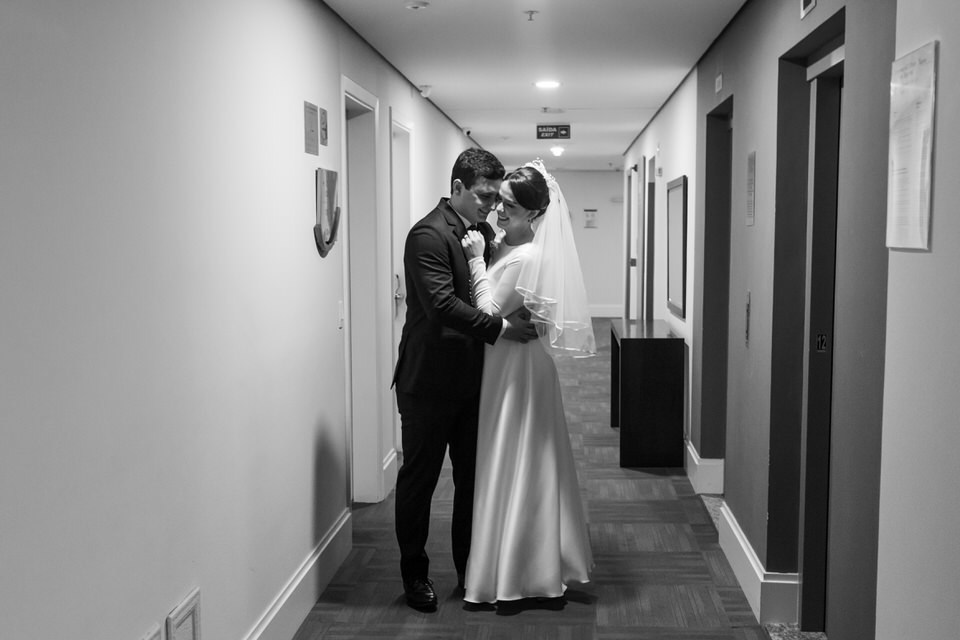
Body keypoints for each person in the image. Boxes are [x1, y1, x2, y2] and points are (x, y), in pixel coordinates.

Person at [392, 148, 537, 611]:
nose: (491, 206)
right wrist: (503, 328)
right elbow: (442, 306)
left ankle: (468, 569)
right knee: (420, 482)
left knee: (473, 481)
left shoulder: (483, 231)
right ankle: (415, 575)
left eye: (496, 198)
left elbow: (487, 288)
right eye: (483, 196)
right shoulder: (427, 235)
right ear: (457, 188)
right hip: (428, 383)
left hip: (475, 383)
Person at [460, 161, 596, 605]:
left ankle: (525, 569)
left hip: (519, 370)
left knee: (520, 457)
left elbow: (487, 313)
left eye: (511, 207)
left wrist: (476, 260)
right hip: (503, 361)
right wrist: (487, 252)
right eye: (500, 201)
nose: (499, 210)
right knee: (504, 455)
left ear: (535, 214)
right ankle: (506, 560)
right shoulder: (503, 243)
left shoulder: (529, 257)